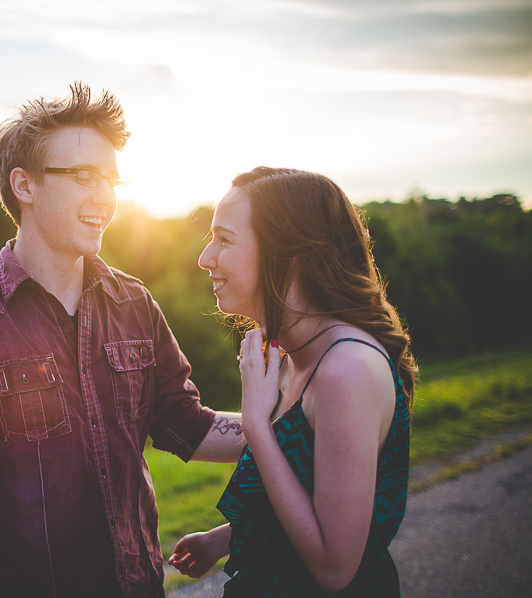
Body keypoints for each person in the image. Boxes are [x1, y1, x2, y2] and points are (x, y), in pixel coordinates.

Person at [0, 82, 247, 598]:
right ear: (25, 185)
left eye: (110, 178)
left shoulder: (134, 305)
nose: (104, 196)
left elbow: (190, 427)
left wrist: (297, 423)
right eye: (84, 176)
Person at [168, 167, 416, 597]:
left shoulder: (346, 370)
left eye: (224, 240)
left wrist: (257, 426)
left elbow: (334, 568)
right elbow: (310, 494)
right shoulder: (293, 356)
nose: (205, 258)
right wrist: (222, 539)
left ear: (288, 255)